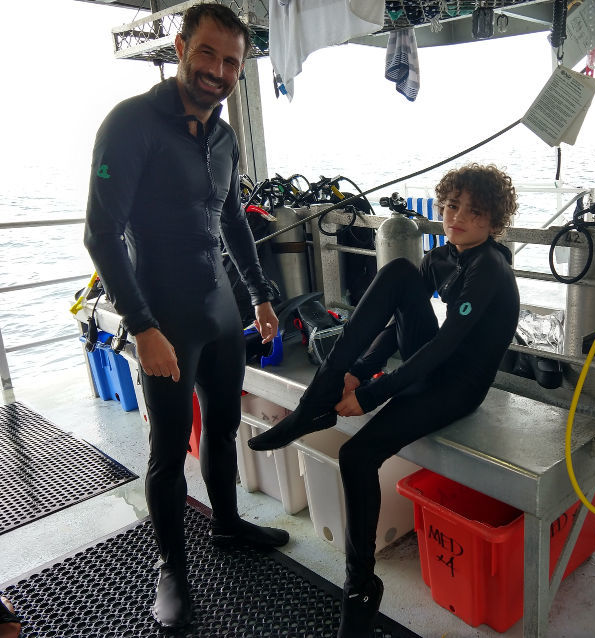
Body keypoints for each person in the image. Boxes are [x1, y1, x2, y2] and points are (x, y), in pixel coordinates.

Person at [249, 163, 520, 637]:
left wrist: (373, 394)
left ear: (494, 221)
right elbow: (400, 326)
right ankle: (319, 398)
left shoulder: (491, 269)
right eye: (450, 205)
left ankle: (358, 587)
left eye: (473, 211)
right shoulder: (444, 256)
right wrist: (357, 372)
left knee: (356, 455)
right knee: (398, 273)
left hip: (458, 387)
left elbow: (445, 345)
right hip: (429, 368)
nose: (456, 217)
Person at [84, 3, 289, 629]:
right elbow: (101, 234)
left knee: (223, 428)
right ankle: (171, 568)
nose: (218, 71)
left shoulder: (225, 138)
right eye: (207, 53)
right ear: (180, 48)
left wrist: (259, 295)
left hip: (220, 310)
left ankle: (226, 524)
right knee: (168, 450)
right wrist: (142, 326)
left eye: (231, 62)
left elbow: (232, 220)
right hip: (164, 315)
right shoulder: (132, 124)